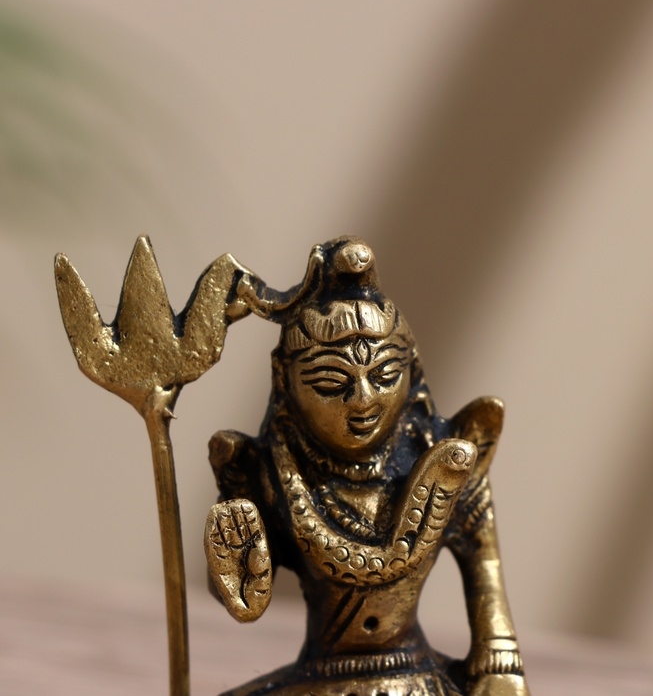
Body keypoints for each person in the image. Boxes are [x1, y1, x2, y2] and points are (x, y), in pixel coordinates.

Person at [204, 237, 530, 696]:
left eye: (384, 376)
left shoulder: (449, 461)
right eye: (331, 381)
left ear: (412, 371)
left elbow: (485, 570)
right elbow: (246, 600)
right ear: (285, 380)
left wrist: (500, 660)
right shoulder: (268, 472)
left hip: (415, 678)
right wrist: (236, 563)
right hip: (321, 679)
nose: (362, 401)